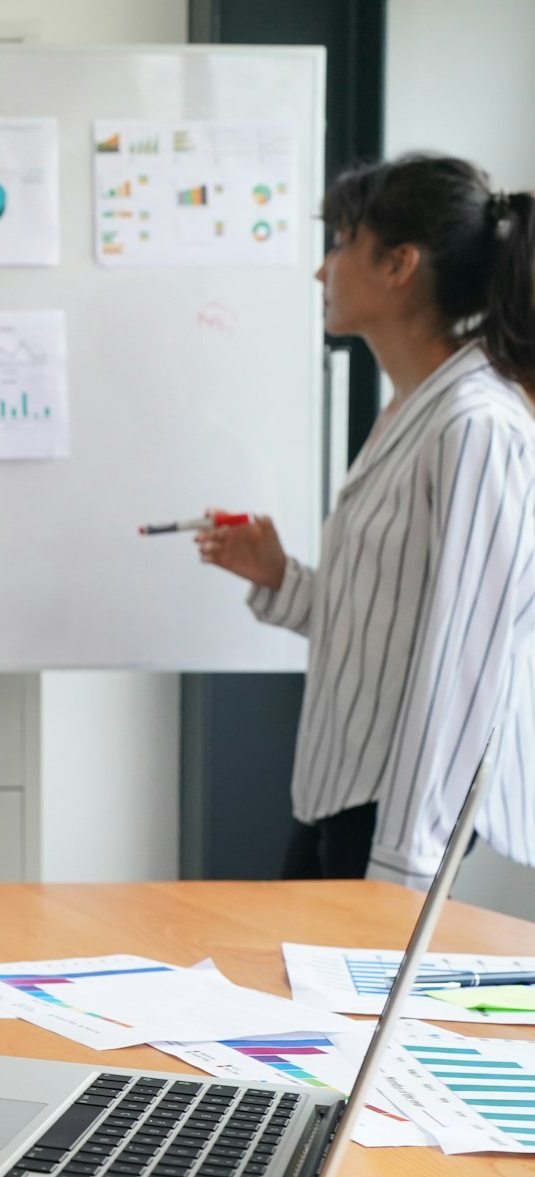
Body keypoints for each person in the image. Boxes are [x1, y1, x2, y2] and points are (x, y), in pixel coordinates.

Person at [200, 155, 535, 888]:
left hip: (392, 817)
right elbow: (385, 625)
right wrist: (279, 577)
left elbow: (467, 661)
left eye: (341, 243)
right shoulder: (411, 409)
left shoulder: (474, 423)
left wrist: (404, 860)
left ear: (399, 265)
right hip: (340, 791)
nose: (323, 272)